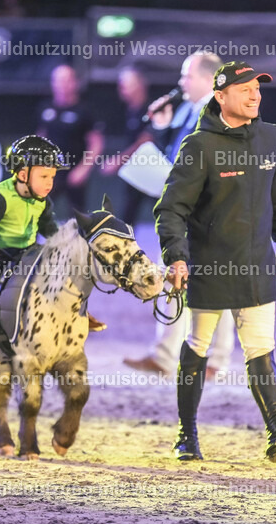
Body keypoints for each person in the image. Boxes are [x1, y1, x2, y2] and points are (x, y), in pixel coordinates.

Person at [154, 61, 276, 463]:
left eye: (258, 89)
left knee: (261, 350)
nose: (254, 96)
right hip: (210, 267)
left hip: (258, 265)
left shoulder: (271, 136)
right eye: (245, 89)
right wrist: (176, 258)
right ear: (220, 96)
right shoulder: (198, 145)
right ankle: (186, 436)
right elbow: (170, 210)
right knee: (197, 347)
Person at [122, 52, 236, 378]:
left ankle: (217, 360)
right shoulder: (188, 110)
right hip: (182, 213)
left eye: (187, 76)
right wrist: (161, 127)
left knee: (216, 287)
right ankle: (164, 356)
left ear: (207, 79)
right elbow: (176, 156)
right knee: (173, 280)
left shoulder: (219, 114)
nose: (181, 82)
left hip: (208, 214)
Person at [0, 135, 99, 354]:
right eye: (44, 176)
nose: (50, 183)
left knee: (70, 273)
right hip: (0, 254)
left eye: (52, 176)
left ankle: (78, 314)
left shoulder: (42, 199)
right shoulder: (1, 197)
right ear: (23, 174)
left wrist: (64, 242)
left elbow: (48, 226)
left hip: (30, 252)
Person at [35, 64, 105, 213]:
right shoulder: (45, 109)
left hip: (74, 172)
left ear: (74, 83)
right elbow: (41, 136)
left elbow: (96, 143)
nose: (61, 85)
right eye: (58, 80)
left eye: (66, 80)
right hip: (50, 173)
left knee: (76, 218)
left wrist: (84, 168)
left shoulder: (84, 111)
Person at [102, 66, 153, 226]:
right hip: (135, 174)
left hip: (154, 174)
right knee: (127, 217)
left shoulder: (151, 110)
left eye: (125, 84)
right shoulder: (129, 111)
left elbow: (146, 140)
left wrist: (118, 160)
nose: (121, 89)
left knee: (167, 216)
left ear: (138, 85)